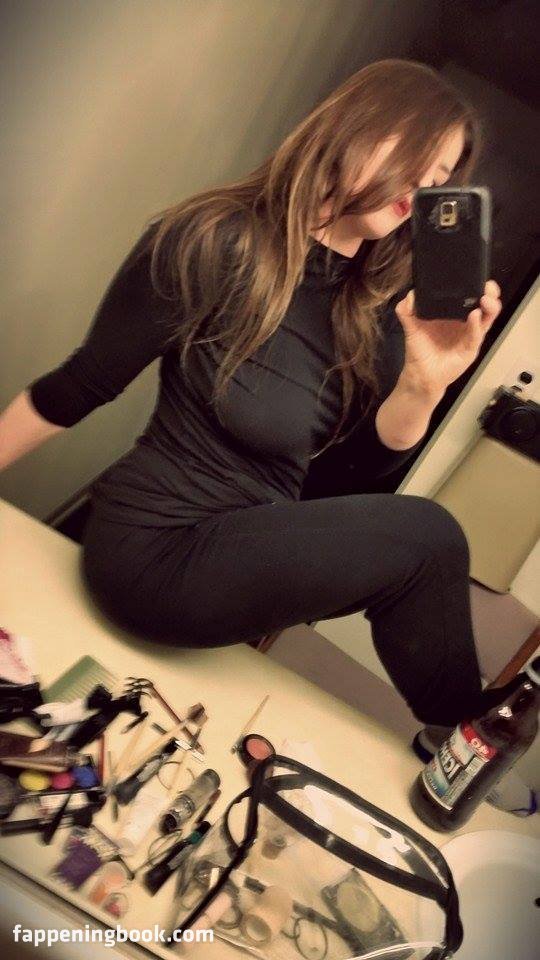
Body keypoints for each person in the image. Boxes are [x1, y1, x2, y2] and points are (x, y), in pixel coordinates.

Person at [0, 59, 534, 814]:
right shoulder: (216, 241)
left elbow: (348, 480)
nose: (421, 183)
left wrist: (424, 385)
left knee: (420, 538)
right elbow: (79, 385)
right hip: (155, 547)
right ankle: (470, 737)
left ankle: (461, 737)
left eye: (441, 176)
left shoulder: (375, 313)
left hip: (237, 554)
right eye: (414, 154)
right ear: (350, 127)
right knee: (432, 535)